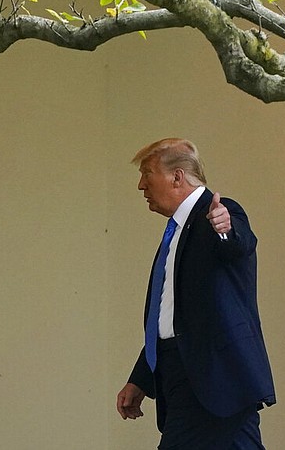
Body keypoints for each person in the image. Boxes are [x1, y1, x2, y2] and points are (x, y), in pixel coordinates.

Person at [116, 138, 276, 449]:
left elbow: (239, 242)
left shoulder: (218, 212)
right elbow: (170, 317)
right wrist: (141, 378)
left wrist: (224, 228)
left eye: (147, 173)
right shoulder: (176, 232)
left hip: (218, 380)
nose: (140, 185)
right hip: (182, 378)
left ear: (177, 176)